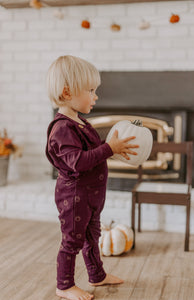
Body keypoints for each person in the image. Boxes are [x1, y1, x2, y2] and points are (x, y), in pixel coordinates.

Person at [45, 55, 139, 300]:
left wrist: (113, 149)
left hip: (91, 196)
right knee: (72, 241)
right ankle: (64, 285)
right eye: (90, 90)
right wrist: (110, 149)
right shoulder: (62, 129)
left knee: (92, 237)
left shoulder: (81, 123)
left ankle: (97, 275)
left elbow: (93, 154)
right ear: (67, 92)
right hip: (74, 197)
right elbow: (78, 162)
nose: (95, 96)